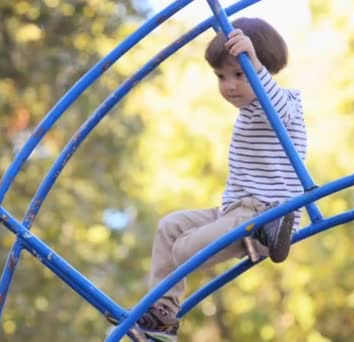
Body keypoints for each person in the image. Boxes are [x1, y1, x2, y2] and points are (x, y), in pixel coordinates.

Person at [135, 17, 306, 341]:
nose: (229, 86)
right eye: (221, 76)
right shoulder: (249, 113)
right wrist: (248, 69)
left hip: (264, 212)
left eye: (239, 74)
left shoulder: (284, 105)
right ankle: (161, 317)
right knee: (169, 228)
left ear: (261, 69)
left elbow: (278, 109)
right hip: (236, 211)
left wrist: (253, 64)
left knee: (183, 251)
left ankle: (271, 230)